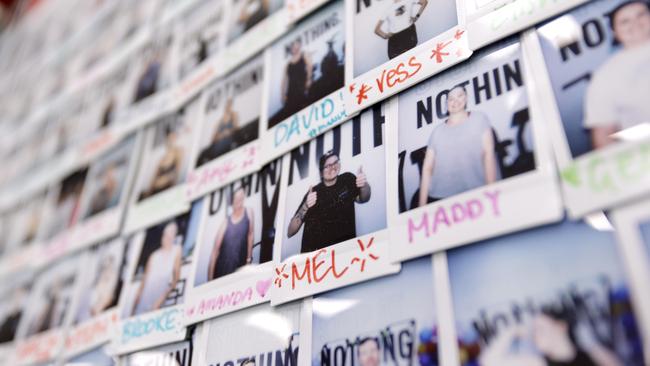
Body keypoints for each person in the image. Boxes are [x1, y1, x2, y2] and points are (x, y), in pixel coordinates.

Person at [584, 0, 650, 149]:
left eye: (641, 15)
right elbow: (603, 136)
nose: (635, 23)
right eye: (625, 21)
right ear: (614, 31)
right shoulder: (604, 77)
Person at [418, 85, 497, 207]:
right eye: (451, 99)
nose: (455, 101)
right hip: (440, 200)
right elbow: (427, 168)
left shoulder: (479, 119)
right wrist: (421, 207)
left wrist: (491, 193)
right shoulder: (437, 131)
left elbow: (488, 154)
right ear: (446, 104)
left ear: (466, 98)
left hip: (477, 195)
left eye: (459, 95)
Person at [287, 151, 371, 253]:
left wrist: (364, 185)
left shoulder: (347, 179)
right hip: (316, 260)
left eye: (335, 162)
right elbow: (290, 232)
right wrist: (306, 206)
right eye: (327, 166)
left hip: (344, 253)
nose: (333, 167)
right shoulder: (313, 192)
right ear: (321, 172)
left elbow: (363, 199)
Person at [131, 221, 182, 315]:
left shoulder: (176, 250)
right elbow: (143, 283)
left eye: (171, 234)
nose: (167, 237)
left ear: (174, 236)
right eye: (165, 234)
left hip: (158, 302)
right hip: (143, 302)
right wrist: (134, 307)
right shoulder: (154, 255)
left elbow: (175, 280)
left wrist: (161, 299)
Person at [208, 187, 254, 280]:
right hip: (223, 271)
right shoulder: (225, 223)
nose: (239, 200)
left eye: (241, 197)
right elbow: (214, 253)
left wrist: (249, 260)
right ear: (232, 201)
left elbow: (250, 235)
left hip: (241, 267)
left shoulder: (249, 212)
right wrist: (210, 281)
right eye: (237, 198)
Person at [143, 124, 184, 199]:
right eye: (168, 139)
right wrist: (149, 193)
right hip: (156, 191)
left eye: (172, 138)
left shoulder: (178, 152)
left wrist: (170, 181)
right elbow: (153, 178)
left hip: (167, 189)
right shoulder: (161, 159)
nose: (170, 141)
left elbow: (177, 171)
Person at [196, 98, 240, 166]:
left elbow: (236, 128)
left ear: (231, 106)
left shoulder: (234, 115)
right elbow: (213, 136)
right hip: (217, 141)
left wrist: (228, 131)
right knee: (203, 152)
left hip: (228, 139)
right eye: (226, 105)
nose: (227, 107)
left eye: (229, 105)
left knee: (221, 146)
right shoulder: (220, 120)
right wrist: (217, 136)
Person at [281, 38, 313, 115]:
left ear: (299, 46)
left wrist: (308, 80)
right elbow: (284, 81)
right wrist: (283, 94)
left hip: (301, 88)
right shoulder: (288, 64)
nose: (294, 48)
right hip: (291, 92)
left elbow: (310, 66)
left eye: (296, 45)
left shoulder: (304, 55)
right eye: (293, 46)